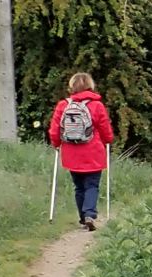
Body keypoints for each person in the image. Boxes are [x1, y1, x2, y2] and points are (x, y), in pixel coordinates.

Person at [47, 72, 115, 231]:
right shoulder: (97, 105)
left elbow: (55, 130)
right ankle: (89, 214)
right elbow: (105, 129)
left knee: (79, 187)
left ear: (72, 86)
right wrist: (108, 140)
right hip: (94, 153)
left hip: (71, 154)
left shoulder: (63, 105)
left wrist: (56, 144)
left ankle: (83, 218)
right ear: (90, 86)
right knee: (92, 185)